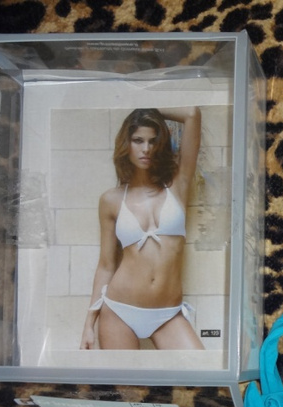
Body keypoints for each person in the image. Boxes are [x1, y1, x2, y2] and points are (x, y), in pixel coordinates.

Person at [80, 107, 204, 350]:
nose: (146, 148)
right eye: (138, 140)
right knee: (125, 378)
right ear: (126, 144)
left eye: (153, 141)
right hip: (119, 311)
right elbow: (106, 265)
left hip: (168, 314)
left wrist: (144, 105)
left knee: (200, 372)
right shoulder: (111, 200)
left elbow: (192, 114)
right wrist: (88, 324)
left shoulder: (178, 186)